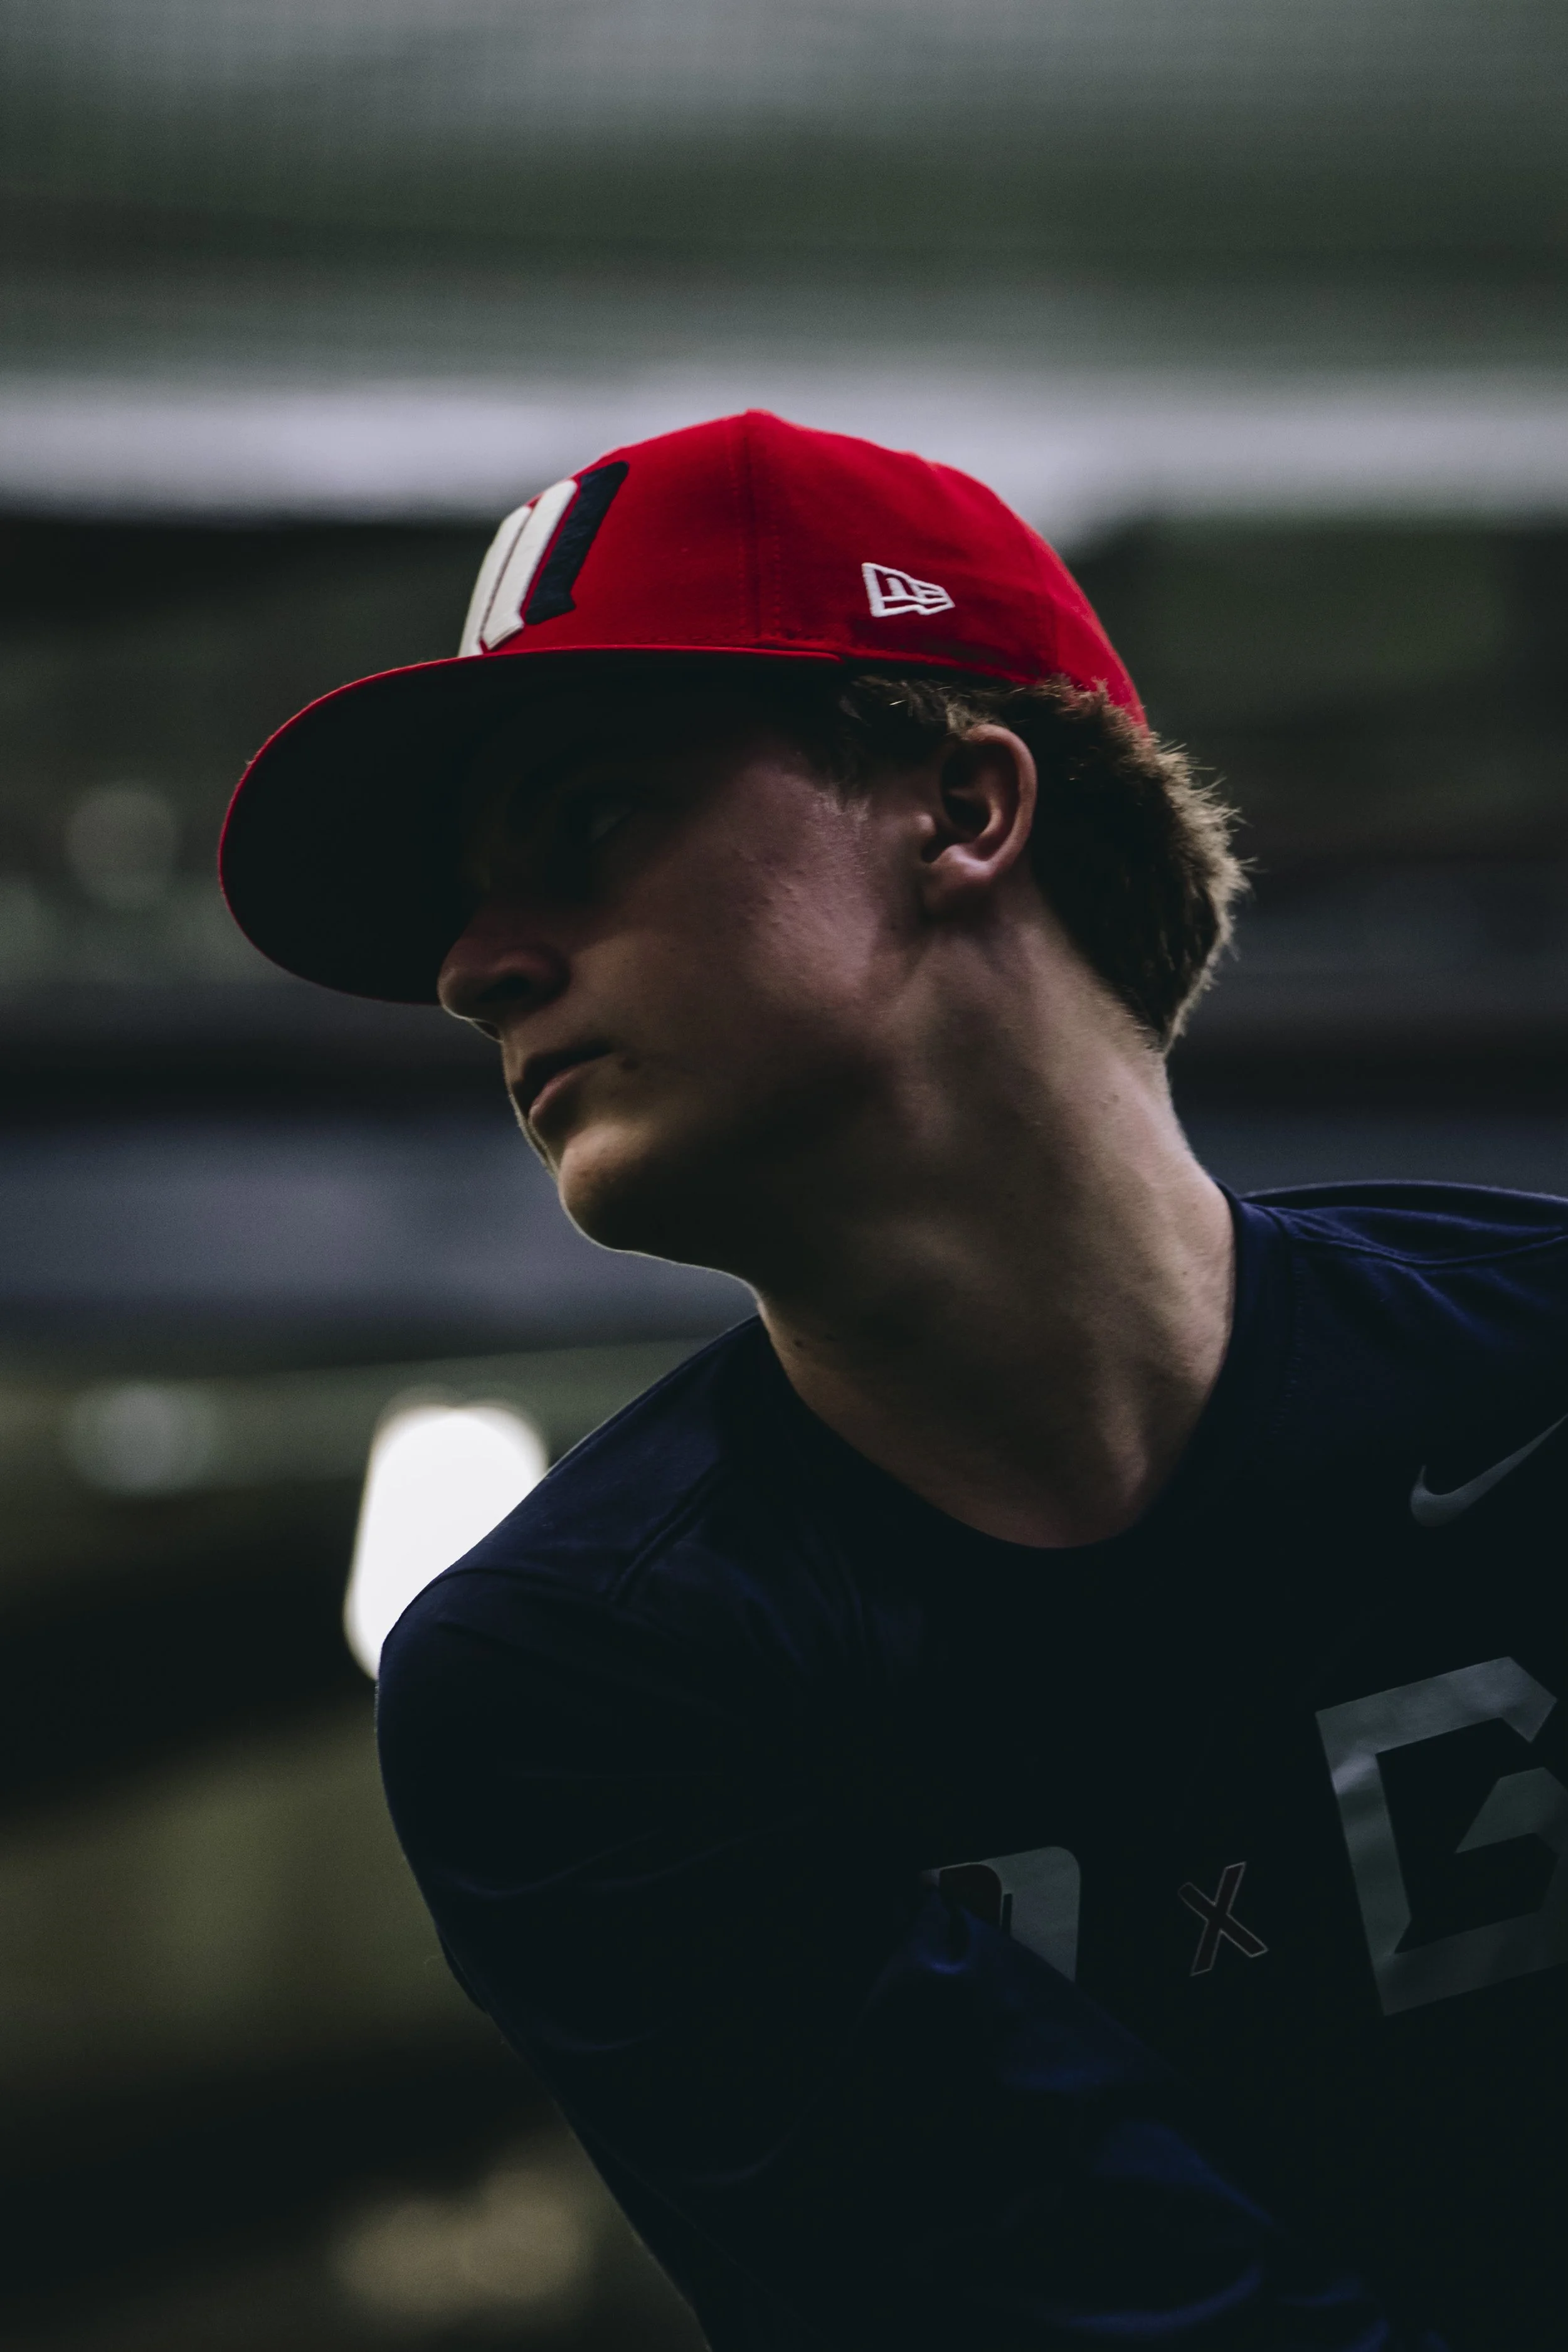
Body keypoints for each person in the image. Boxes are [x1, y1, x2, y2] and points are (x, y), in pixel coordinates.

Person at [221, 413, 1564, 2351]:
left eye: (584, 825)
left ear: (963, 807)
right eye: (464, 900)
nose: (473, 966)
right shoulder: (575, 1683)